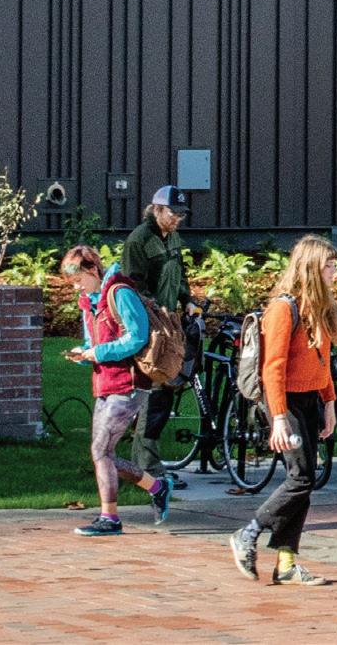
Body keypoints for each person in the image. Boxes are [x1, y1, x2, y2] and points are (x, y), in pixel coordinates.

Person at [228, 235, 337, 586]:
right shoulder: (283, 309)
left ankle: (286, 563)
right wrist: (278, 417)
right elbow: (273, 368)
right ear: (310, 268)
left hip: (309, 400)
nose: (334, 273)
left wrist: (329, 402)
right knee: (302, 478)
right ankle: (248, 532)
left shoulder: (320, 307)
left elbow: (323, 362)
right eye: (328, 266)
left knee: (304, 482)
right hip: (286, 401)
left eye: (334, 266)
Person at [60, 246, 172, 536]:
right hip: (104, 383)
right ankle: (157, 487)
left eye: (78, 280)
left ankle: (110, 518)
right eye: (72, 282)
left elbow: (137, 337)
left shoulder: (120, 292)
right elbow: (93, 343)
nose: (76, 287)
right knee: (102, 452)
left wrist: (98, 353)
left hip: (129, 383)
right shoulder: (89, 302)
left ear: (93, 270)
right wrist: (83, 353)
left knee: (100, 451)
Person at [122, 185, 191, 489]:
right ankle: (146, 467)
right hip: (151, 327)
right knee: (154, 393)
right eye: (173, 213)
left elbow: (180, 273)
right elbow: (133, 286)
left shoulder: (172, 237)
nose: (177, 219)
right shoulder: (139, 240)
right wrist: (155, 313)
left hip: (170, 324)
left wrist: (188, 299)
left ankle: (145, 462)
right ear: (157, 209)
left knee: (163, 394)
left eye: (181, 214)